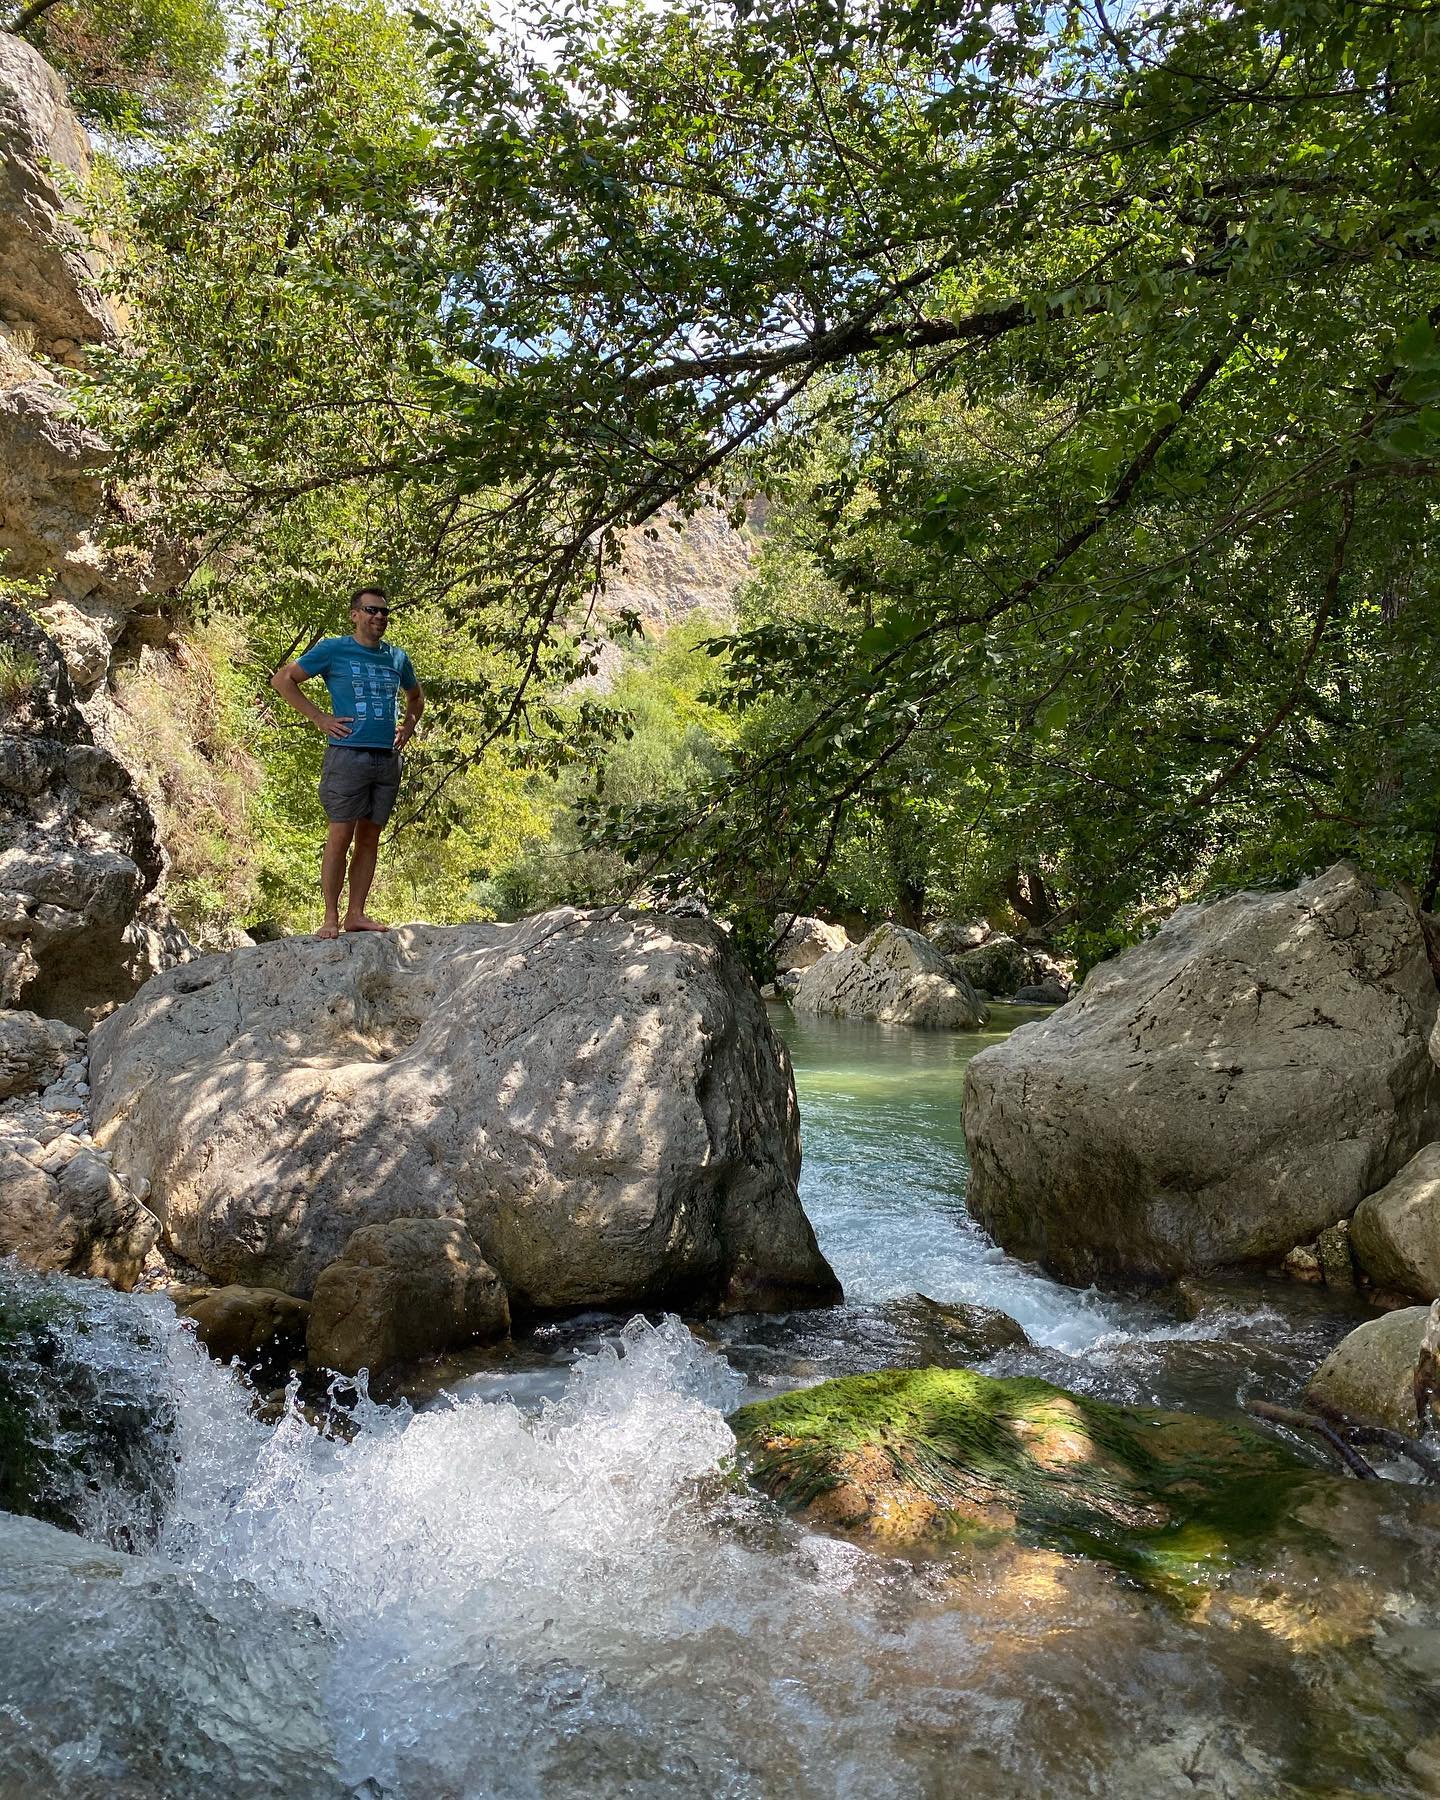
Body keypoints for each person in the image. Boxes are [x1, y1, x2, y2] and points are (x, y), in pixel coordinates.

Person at [271, 586, 425, 938]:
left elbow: (415, 697)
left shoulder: (397, 658)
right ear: (355, 615)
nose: (379, 617)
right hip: (347, 755)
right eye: (371, 611)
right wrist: (320, 718)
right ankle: (330, 918)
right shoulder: (334, 649)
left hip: (387, 758)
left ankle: (356, 914)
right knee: (340, 835)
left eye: (384, 612)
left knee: (370, 838)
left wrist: (409, 726)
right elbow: (283, 680)